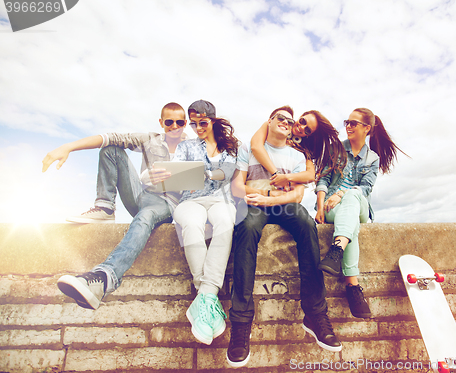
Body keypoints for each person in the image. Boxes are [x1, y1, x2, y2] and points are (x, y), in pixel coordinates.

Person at [41, 102, 187, 310]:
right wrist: (68, 147)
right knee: (111, 149)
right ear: (161, 122)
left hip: (167, 203)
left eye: (179, 122)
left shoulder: (192, 146)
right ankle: (105, 207)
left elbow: (210, 174)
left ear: (185, 123)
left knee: (145, 217)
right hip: (142, 195)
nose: (174, 126)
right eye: (169, 122)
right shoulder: (150, 140)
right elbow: (111, 137)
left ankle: (103, 278)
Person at [227, 106, 342, 368]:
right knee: (245, 228)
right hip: (255, 204)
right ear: (269, 120)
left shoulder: (297, 154)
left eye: (291, 121)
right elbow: (236, 186)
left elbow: (299, 196)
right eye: (282, 118)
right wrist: (263, 196)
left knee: (306, 223)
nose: (288, 123)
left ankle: (315, 314)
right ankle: (241, 323)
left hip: (282, 204)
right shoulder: (250, 147)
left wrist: (274, 197)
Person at [315, 108, 408, 319]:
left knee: (354, 195)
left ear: (367, 128)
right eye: (347, 122)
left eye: (353, 123)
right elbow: (322, 180)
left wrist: (341, 193)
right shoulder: (335, 149)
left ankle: (337, 251)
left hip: (359, 207)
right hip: (332, 209)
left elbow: (366, 188)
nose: (348, 126)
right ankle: (352, 286)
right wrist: (320, 207)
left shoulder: (372, 159)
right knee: (350, 228)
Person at [173, 100, 239, 346]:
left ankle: (203, 298)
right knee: (191, 224)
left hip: (221, 200)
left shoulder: (231, 147)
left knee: (225, 223)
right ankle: (208, 297)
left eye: (202, 122)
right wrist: (185, 176)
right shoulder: (186, 146)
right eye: (193, 123)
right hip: (191, 200)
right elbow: (178, 176)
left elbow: (227, 174)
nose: (197, 128)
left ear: (212, 120)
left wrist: (204, 173)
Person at [250, 110, 347, 188]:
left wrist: (286, 178)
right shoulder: (273, 125)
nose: (301, 127)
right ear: (300, 116)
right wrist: (276, 173)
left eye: (307, 130)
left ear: (309, 135)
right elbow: (256, 146)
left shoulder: (303, 151)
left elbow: (310, 175)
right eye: (303, 121)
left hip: (281, 192)